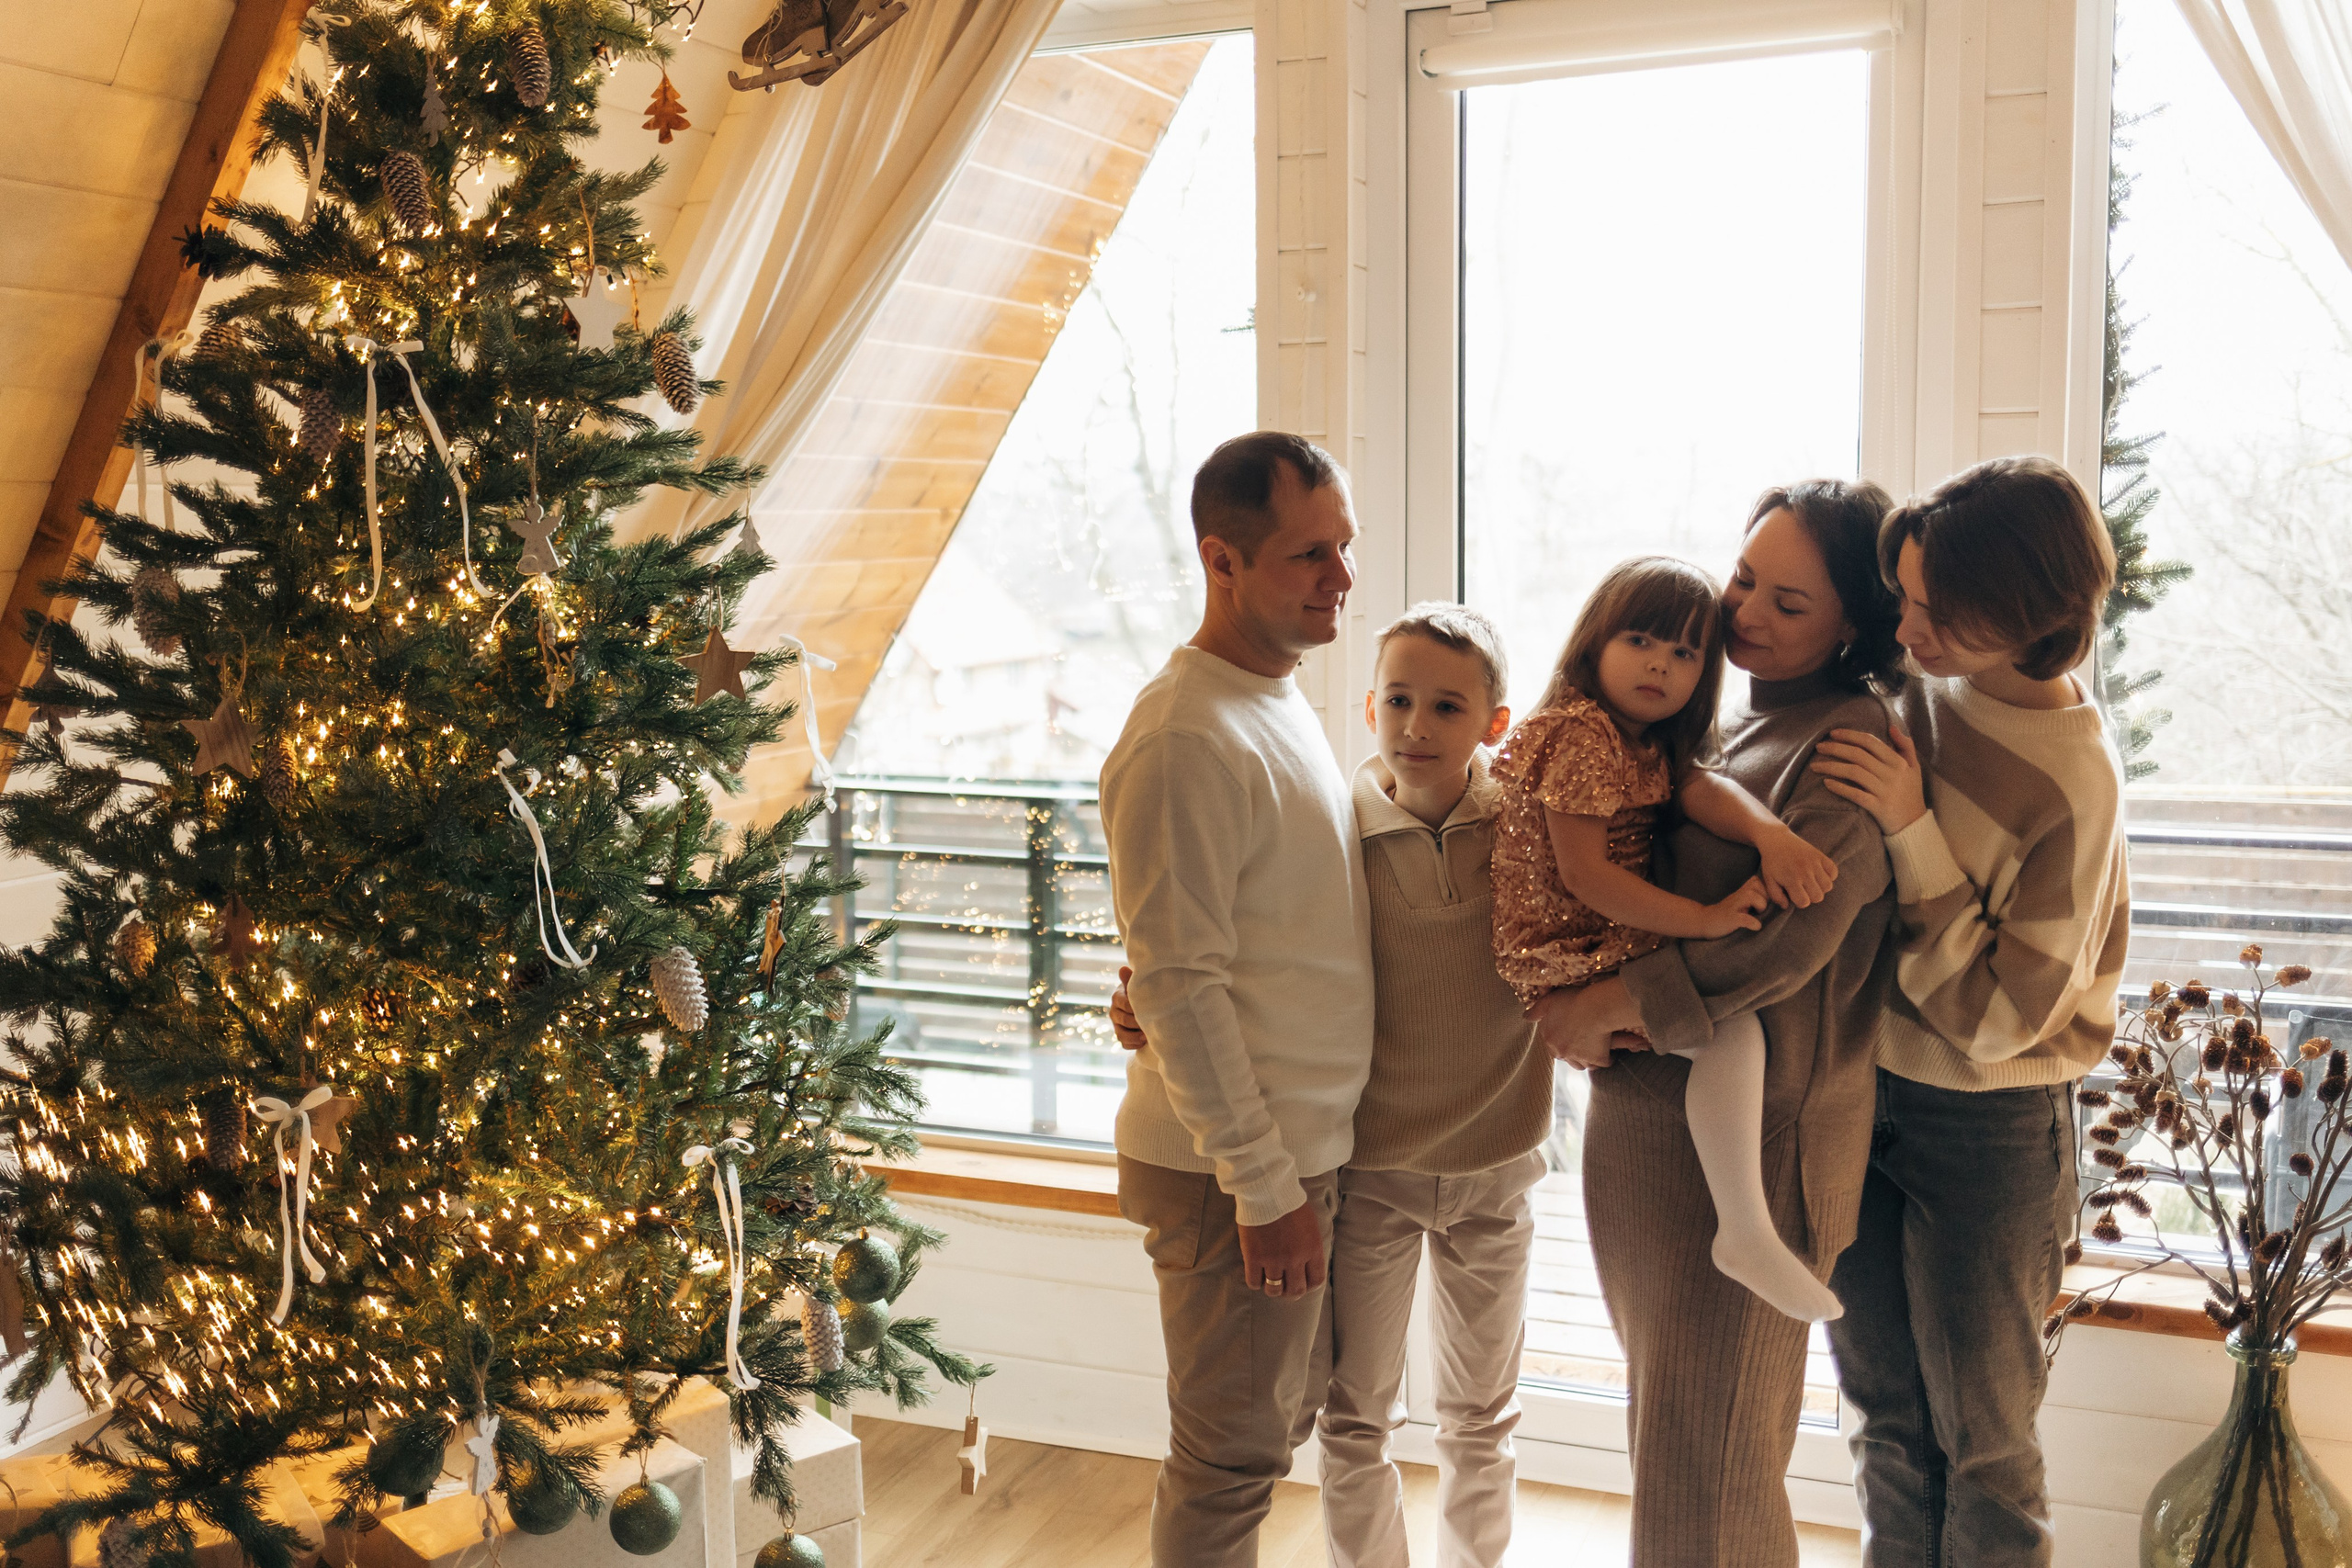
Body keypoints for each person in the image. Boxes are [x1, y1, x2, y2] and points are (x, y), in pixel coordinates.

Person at [1114, 602, 1552, 1568]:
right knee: (1357, 1416)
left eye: (1446, 706)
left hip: (1499, 1166)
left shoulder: (1527, 830)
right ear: (1367, 707)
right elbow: (1234, 932)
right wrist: (1140, 994)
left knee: (1483, 1412)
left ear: (1494, 723)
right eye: (1397, 700)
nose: (1416, 726)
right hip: (1377, 1172)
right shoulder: (1338, 828)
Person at [1539, 479, 1905, 1567]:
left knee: (1711, 1471)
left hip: (1757, 1152)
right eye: (1743, 578)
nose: (1743, 611)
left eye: (1788, 603)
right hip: (1652, 1129)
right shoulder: (1735, 715)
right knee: (1685, 1449)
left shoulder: (1844, 746)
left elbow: (1789, 941)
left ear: (1854, 626)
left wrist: (1614, 1003)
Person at [1809, 455, 2129, 1567]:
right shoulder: (1919, 694)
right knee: (1885, 1421)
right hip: (1868, 1095)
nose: (1908, 628)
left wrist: (1909, 828)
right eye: (1904, 597)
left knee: (1984, 1448)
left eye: (1938, 612)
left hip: (1991, 1130)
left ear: (2030, 615)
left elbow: (1998, 1022)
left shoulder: (2071, 783)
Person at [1100, 430, 1375, 1568]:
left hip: (1295, 1154)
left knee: (1266, 1435)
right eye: (1312, 554)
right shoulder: (1185, 736)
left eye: (1345, 547)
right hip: (1233, 1178)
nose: (1342, 580)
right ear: (1223, 562)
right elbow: (1178, 982)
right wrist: (1264, 1189)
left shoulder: (1274, 699)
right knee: (1227, 1464)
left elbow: (1228, 944)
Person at [1491, 556, 1846, 1324]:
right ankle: (1745, 1230)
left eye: (1686, 652)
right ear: (1595, 642)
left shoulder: (1640, 740)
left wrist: (1772, 835)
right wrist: (1709, 919)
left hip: (1597, 940)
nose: (1661, 663)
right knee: (1730, 1032)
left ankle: (1745, 1230)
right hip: (1567, 946)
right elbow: (1587, 877)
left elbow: (1700, 786)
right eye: (1642, 639)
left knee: (1730, 1032)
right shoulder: (1581, 734)